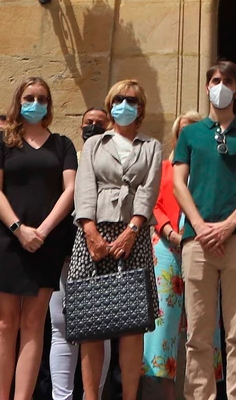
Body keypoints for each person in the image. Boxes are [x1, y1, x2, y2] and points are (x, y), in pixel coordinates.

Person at [173, 61, 236, 400]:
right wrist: (198, 225)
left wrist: (228, 225)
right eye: (215, 80)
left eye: (227, 81)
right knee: (198, 333)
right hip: (197, 242)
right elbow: (178, 183)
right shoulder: (190, 134)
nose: (220, 85)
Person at [0, 76, 79, 400]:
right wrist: (18, 228)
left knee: (34, 324)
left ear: (49, 104)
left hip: (46, 243)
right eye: (29, 97)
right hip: (8, 242)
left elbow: (71, 189)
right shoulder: (1, 141)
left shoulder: (63, 145)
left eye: (41, 98)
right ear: (18, 100)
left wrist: (43, 230)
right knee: (5, 324)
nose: (35, 103)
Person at [71, 81, 163, 400]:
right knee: (90, 323)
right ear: (110, 105)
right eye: (119, 99)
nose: (125, 104)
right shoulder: (96, 144)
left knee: (132, 323)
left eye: (132, 100)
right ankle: (91, 396)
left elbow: (149, 190)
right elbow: (84, 187)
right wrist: (91, 231)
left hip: (132, 235)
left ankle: (129, 396)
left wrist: (133, 229)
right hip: (92, 235)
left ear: (141, 108)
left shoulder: (151, 145)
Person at [51, 107, 114, 400]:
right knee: (61, 327)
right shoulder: (68, 160)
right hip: (66, 253)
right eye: (88, 122)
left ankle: (95, 395)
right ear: (80, 127)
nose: (92, 127)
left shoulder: (115, 160)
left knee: (102, 327)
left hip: (102, 253)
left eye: (99, 123)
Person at [145, 113, 198, 386]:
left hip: (201, 245)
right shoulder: (164, 167)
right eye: (183, 132)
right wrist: (168, 231)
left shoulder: (209, 170)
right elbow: (152, 202)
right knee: (163, 323)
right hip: (166, 246)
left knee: (202, 322)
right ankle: (160, 390)